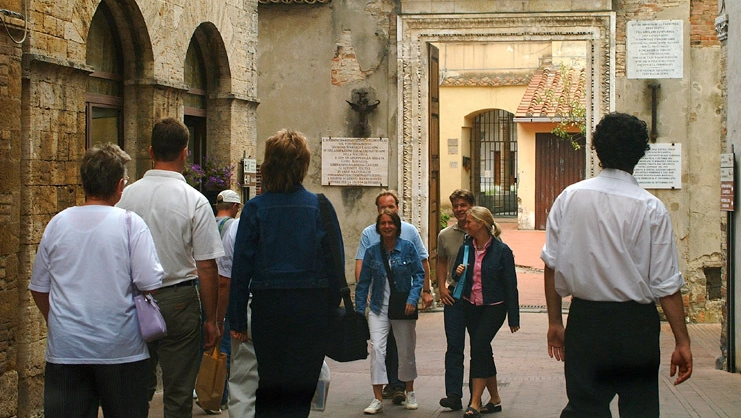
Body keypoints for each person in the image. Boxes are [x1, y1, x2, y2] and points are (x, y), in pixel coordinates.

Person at [541, 112, 693, 418]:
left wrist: (555, 322)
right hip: (635, 326)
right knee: (640, 407)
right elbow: (665, 284)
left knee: (585, 407)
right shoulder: (651, 208)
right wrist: (682, 340)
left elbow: (552, 264)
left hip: (586, 321)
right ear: (640, 153)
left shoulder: (569, 198)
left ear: (597, 150)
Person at [29, 143, 164, 418]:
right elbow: (149, 282)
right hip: (121, 349)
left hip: (67, 350)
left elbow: (39, 287)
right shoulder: (131, 224)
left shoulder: (58, 223)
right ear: (118, 185)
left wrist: (57, 319)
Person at [229, 129, 343, 417]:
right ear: (303, 165)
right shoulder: (320, 206)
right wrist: (330, 308)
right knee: (300, 391)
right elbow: (335, 263)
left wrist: (238, 318)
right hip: (311, 310)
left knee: (269, 386)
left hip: (270, 309)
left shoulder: (255, 209)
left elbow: (241, 266)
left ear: (269, 165)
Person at [118, 117, 224, 417]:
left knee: (136, 386)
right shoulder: (195, 200)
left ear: (151, 151)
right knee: (178, 393)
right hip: (178, 299)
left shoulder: (126, 196)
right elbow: (206, 266)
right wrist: (212, 318)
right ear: (185, 153)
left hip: (134, 299)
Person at [355, 190, 433, 404]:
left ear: (397, 224)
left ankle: (410, 392)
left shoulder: (407, 246)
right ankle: (377, 398)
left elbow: (419, 271)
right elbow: (362, 280)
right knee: (378, 349)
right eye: (383, 222)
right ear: (378, 227)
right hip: (379, 306)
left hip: (402, 306)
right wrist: (359, 310)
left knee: (406, 349)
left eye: (391, 221)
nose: (387, 225)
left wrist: (417, 296)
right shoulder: (372, 249)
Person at [452, 206, 520, 418]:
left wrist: (513, 316)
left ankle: (474, 401)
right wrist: (458, 271)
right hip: (470, 306)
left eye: (470, 221)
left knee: (478, 346)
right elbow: (456, 274)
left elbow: (511, 285)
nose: (466, 224)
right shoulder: (466, 247)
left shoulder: (502, 251)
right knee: (483, 349)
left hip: (494, 307)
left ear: (481, 224)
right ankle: (495, 399)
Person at [197, 189, 243, 414]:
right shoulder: (235, 227)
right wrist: (220, 315)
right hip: (221, 291)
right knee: (222, 344)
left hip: (198, 288)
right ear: (235, 207)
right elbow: (225, 279)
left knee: (201, 344)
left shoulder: (204, 224)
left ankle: (199, 388)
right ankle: (218, 395)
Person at [217, 217, 259, 418]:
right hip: (292, 311)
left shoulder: (239, 225)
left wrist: (220, 319)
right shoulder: (308, 212)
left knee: (243, 380)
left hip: (251, 308)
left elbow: (226, 280)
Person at [437, 189, 475, 411]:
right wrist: (441, 287)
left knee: (479, 347)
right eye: (456, 206)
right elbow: (441, 261)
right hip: (454, 298)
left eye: (463, 205)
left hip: (477, 298)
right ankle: (453, 394)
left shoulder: (483, 232)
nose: (459, 209)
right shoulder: (445, 235)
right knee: (454, 346)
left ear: (471, 206)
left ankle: (476, 396)